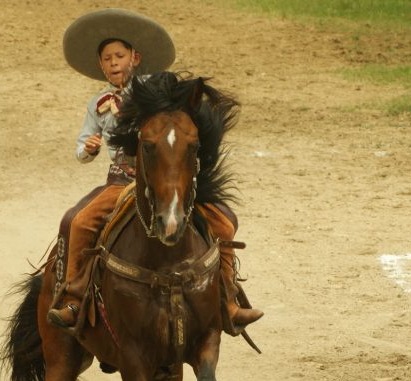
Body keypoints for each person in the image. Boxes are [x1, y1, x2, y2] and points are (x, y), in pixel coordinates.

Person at [48, 8, 262, 334]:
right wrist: (87, 149)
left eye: (119, 55)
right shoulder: (97, 104)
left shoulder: (152, 91)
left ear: (136, 57)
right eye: (106, 59)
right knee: (76, 221)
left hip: (165, 178)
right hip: (119, 182)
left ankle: (228, 298)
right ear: (99, 66)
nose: (113, 63)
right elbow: (81, 146)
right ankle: (74, 296)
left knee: (223, 221)